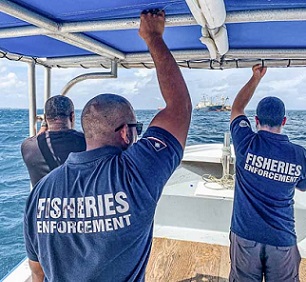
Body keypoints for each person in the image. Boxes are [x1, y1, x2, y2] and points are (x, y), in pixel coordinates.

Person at [23, 10, 192, 282]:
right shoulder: (135, 174)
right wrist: (153, 38)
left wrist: (153, 36)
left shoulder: (40, 192)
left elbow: (37, 271)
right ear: (125, 133)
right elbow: (179, 109)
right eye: (136, 129)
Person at [229, 64, 306, 281]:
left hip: (244, 236)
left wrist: (255, 78)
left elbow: (237, 108)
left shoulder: (245, 142)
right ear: (284, 121)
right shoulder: (299, 155)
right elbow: (302, 185)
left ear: (255, 121)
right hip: (281, 239)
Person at [21, 95, 86, 186]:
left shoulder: (27, 146)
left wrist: (44, 124)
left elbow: (38, 138)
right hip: (78, 199)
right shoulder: (85, 141)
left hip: (41, 200)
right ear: (72, 116)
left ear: (45, 118)